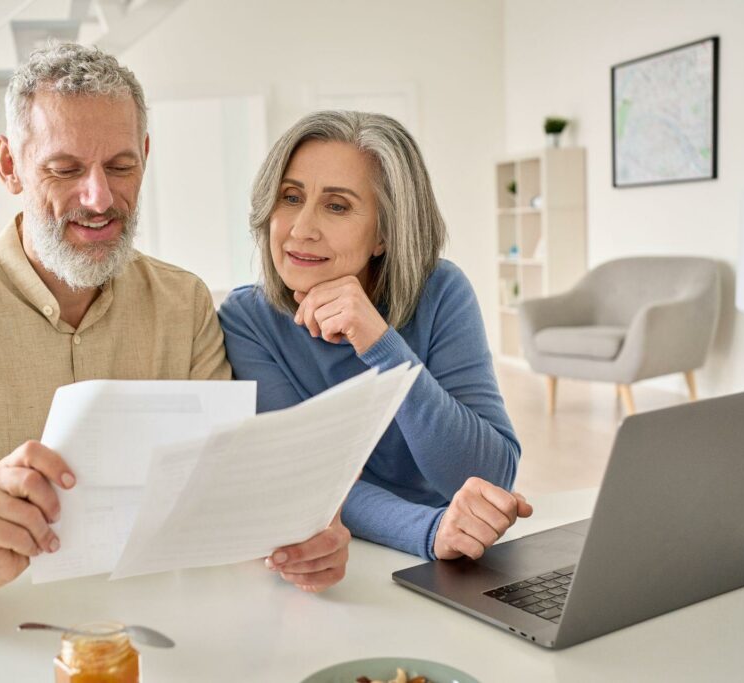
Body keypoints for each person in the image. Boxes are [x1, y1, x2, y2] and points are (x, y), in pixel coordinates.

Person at [0, 44, 348, 618]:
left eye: (120, 166)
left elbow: (225, 488)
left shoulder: (184, 304)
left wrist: (301, 530)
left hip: (169, 628)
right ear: (10, 165)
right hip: (2, 632)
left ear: (146, 156)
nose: (100, 198)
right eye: (64, 169)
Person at [218, 111, 533, 572]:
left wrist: (382, 345)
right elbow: (308, 478)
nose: (301, 228)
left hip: (449, 558)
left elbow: (490, 475)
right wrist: (428, 530)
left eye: (337, 206)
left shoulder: (441, 292)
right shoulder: (247, 319)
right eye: (290, 197)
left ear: (384, 232)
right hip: (333, 556)